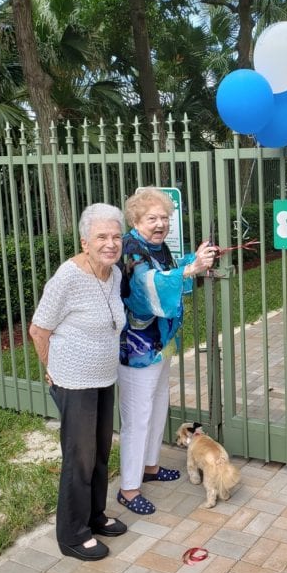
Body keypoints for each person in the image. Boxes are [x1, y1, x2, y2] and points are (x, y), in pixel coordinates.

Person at [29, 203, 127, 562]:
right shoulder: (67, 278)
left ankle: (94, 516)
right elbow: (38, 329)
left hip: (103, 376)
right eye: (102, 237)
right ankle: (72, 534)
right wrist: (51, 369)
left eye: (116, 236)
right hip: (74, 381)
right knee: (79, 458)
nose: (110, 243)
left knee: (100, 452)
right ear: (85, 241)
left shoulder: (113, 274)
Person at [116, 186, 216, 515]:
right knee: (137, 417)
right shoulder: (131, 248)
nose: (160, 224)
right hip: (137, 349)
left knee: (158, 405)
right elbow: (147, 288)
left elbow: (170, 273)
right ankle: (129, 490)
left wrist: (194, 260)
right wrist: (190, 269)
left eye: (164, 218)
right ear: (135, 219)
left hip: (160, 344)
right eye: (152, 218)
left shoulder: (156, 246)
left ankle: (150, 468)